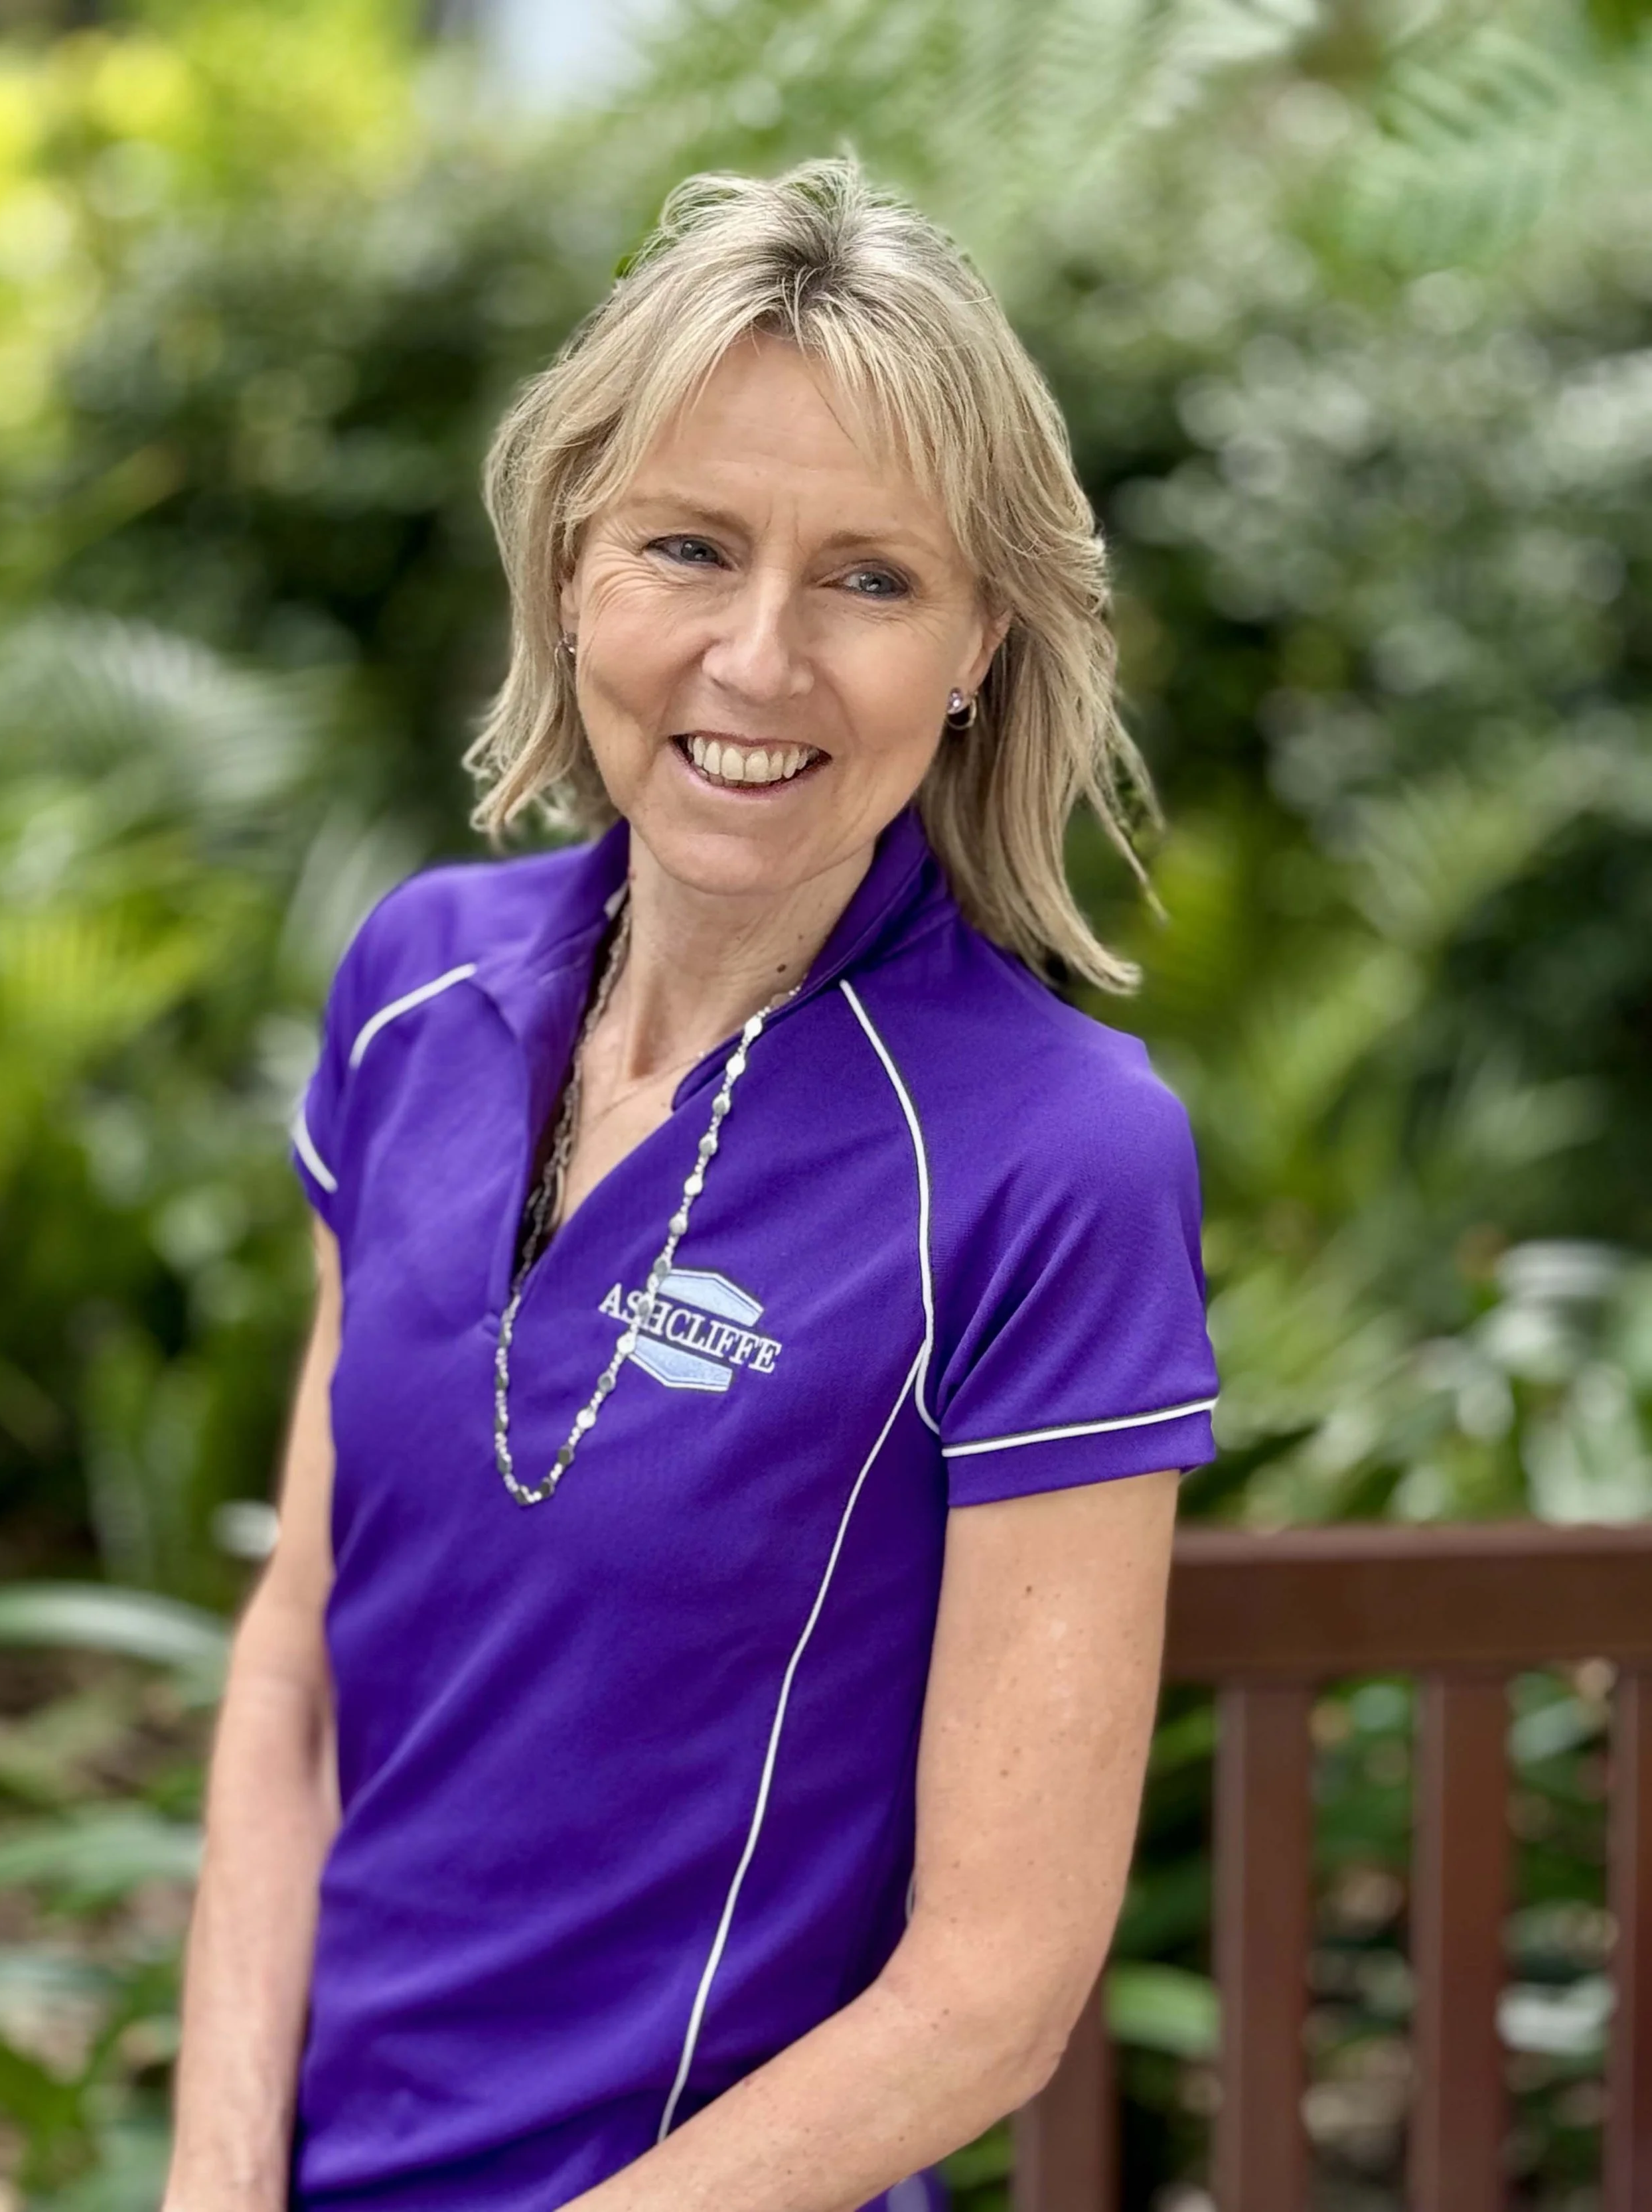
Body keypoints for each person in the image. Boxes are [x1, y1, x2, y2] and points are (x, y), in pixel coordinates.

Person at [161, 156, 1219, 2212]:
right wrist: (211, 2177)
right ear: (574, 565)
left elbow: (990, 1993)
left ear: (981, 642)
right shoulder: (415, 988)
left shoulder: (1053, 1158)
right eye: (689, 545)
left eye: (869, 580)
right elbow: (299, 1663)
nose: (756, 655)